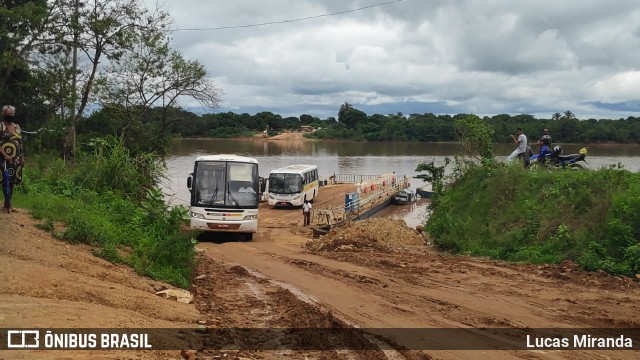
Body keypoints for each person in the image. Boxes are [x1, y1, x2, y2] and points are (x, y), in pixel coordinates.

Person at [0, 105, 24, 214]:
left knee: (12, 180)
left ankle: (8, 204)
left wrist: (22, 158)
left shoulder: (17, 127)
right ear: (4, 114)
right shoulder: (1, 126)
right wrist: (5, 155)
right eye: (7, 113)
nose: (9, 115)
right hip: (3, 158)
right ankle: (7, 205)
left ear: (14, 114)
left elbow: (20, 143)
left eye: (11, 114)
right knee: (5, 180)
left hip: (15, 159)